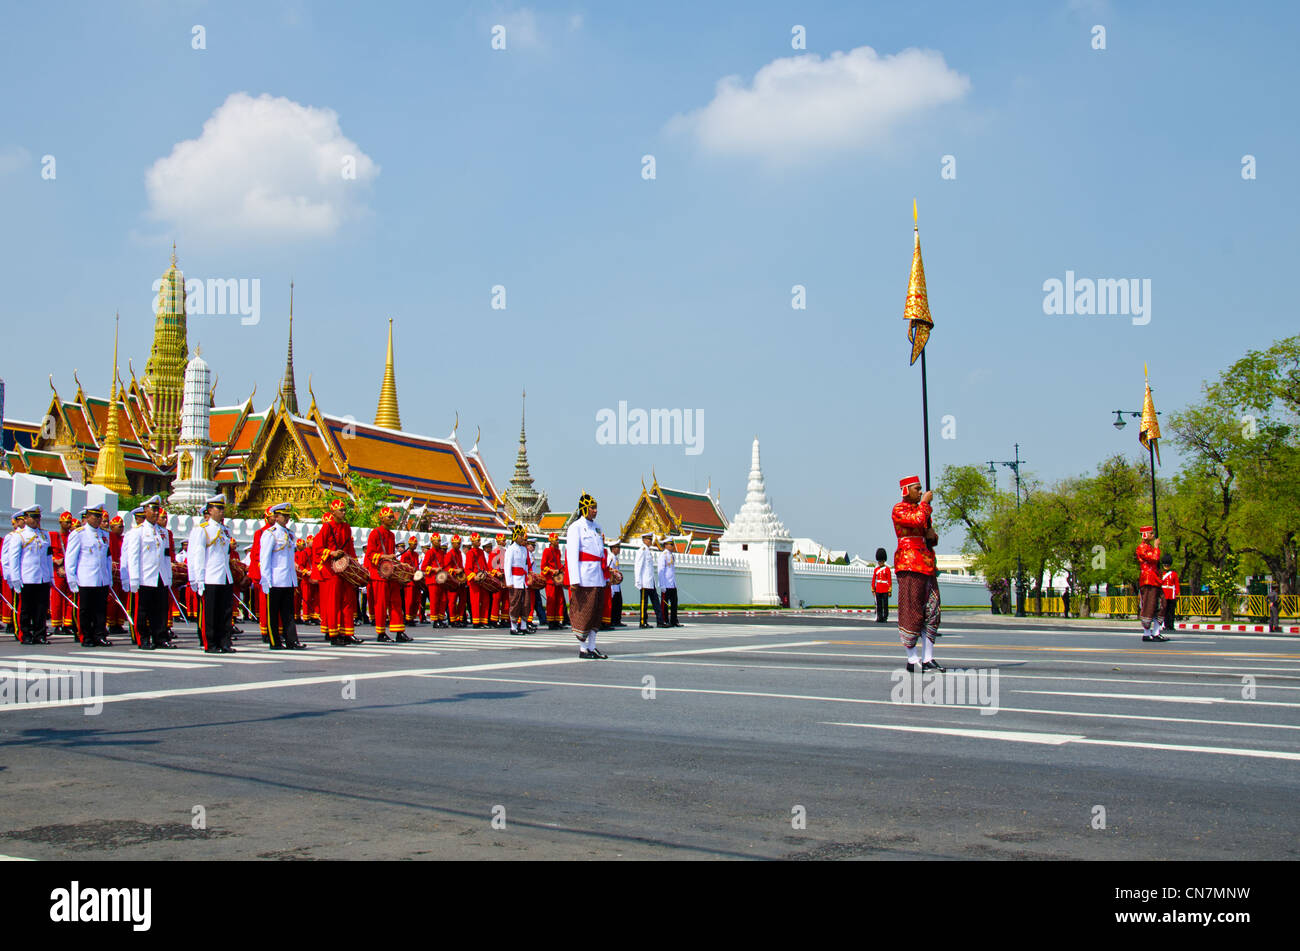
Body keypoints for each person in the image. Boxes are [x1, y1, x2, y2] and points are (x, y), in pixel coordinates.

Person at [893, 476, 944, 672]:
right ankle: (912, 658)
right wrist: (925, 505)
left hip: (926, 563)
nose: (921, 492)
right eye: (917, 489)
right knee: (911, 611)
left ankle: (928, 657)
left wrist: (932, 536)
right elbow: (916, 521)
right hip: (909, 563)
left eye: (921, 489)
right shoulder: (899, 509)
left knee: (932, 610)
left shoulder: (922, 509)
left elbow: (926, 529)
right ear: (906, 490)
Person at [188, 494, 237, 653]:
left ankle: (224, 642)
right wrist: (198, 579)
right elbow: (198, 556)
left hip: (224, 576)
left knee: (225, 613)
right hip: (210, 576)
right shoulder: (203, 529)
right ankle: (211, 643)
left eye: (223, 508)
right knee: (211, 614)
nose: (222, 512)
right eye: (219, 508)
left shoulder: (224, 530)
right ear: (210, 510)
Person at [126, 495, 174, 650]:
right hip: (145, 577)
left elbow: (166, 556)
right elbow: (133, 556)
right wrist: (133, 578)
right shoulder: (137, 532)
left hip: (160, 576)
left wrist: (169, 576)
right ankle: (143, 638)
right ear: (145, 510)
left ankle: (160, 637)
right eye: (152, 509)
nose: (155, 513)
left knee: (160, 610)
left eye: (157, 509)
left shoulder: (163, 532)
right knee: (142, 611)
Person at [259, 502, 306, 650]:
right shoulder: (270, 533)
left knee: (288, 613)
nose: (286, 519)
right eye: (283, 516)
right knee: (273, 613)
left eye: (288, 516)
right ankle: (275, 641)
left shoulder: (289, 534)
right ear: (276, 517)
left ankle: (291, 640)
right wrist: (265, 580)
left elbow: (289, 558)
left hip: (287, 579)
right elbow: (265, 558)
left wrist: (293, 579)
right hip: (274, 579)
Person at [566, 493, 608, 658]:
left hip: (597, 574)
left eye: (596, 507)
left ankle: (592, 646)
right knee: (585, 612)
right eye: (592, 507)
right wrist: (574, 579)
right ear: (584, 508)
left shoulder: (597, 527)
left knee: (596, 612)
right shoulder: (575, 527)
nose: (595, 511)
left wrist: (606, 573)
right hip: (584, 576)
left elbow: (600, 551)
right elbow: (572, 555)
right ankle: (583, 648)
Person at [66, 504, 113, 647]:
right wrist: (72, 579)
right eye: (95, 516)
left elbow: (107, 558)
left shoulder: (105, 535)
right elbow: (71, 558)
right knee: (86, 611)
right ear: (87, 517)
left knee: (100, 610)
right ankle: (86, 637)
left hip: (101, 578)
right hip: (86, 578)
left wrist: (109, 577)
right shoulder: (78, 534)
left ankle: (99, 635)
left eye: (100, 516)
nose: (98, 519)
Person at [365, 506, 410, 642]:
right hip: (378, 574)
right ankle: (381, 632)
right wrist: (386, 557)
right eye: (389, 517)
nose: (392, 519)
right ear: (382, 518)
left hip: (390, 573)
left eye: (392, 517)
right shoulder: (375, 533)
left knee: (396, 602)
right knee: (381, 603)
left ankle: (399, 631)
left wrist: (401, 564)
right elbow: (370, 554)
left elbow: (391, 556)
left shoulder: (391, 535)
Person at [13, 505, 55, 644]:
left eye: (38, 517)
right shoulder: (19, 536)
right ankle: (26, 634)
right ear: (25, 518)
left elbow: (49, 556)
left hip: (42, 577)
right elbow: (15, 559)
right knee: (26, 609)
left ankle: (40, 634)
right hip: (27, 577)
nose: (37, 520)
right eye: (34, 517)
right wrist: (15, 578)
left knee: (41, 609)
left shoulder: (44, 534)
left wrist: (50, 576)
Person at [1136, 526, 1168, 642]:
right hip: (1148, 580)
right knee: (1149, 605)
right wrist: (1156, 547)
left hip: (1155, 579)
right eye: (1150, 533)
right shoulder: (1141, 548)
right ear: (1145, 535)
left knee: (1160, 603)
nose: (1153, 535)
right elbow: (1154, 558)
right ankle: (1147, 632)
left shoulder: (1148, 547)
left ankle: (1156, 631)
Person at [49, 511, 75, 634]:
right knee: (57, 598)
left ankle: (68, 623)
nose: (69, 524)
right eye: (66, 522)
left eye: (70, 522)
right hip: (57, 571)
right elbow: (48, 554)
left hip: (69, 569)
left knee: (70, 597)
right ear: (60, 523)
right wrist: (55, 561)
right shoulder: (53, 536)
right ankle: (57, 623)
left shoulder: (73, 536)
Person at [504, 524, 533, 635]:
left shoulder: (524, 550)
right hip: (515, 580)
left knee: (526, 604)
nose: (523, 538)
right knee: (515, 603)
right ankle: (513, 626)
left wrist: (529, 576)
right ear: (516, 536)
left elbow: (526, 565)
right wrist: (509, 581)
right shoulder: (511, 549)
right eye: (521, 535)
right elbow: (507, 566)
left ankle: (524, 626)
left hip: (523, 580)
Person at [635, 531, 665, 628]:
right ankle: (643, 622)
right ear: (644, 540)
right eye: (648, 539)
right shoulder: (642, 551)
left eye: (651, 539)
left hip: (650, 582)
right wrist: (638, 581)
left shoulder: (648, 551)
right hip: (644, 582)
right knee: (644, 603)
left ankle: (660, 621)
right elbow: (638, 566)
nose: (650, 541)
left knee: (656, 602)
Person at [1, 514, 23, 634]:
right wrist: (8, 575)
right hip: (14, 574)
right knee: (15, 601)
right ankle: (14, 625)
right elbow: (5, 557)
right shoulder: (11, 536)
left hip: (26, 574)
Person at [464, 531, 490, 629]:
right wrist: (474, 576)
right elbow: (467, 568)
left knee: (485, 600)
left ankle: (484, 620)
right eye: (478, 540)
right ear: (473, 542)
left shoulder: (481, 552)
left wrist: (488, 574)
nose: (479, 542)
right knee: (475, 601)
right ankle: (476, 621)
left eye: (480, 540)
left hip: (482, 580)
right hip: (474, 580)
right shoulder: (470, 553)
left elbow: (485, 565)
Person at [421, 535, 449, 628]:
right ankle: (435, 620)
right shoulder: (429, 552)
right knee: (434, 601)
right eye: (437, 541)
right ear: (432, 541)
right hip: (433, 580)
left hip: (441, 580)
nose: (439, 542)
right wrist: (434, 569)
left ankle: (441, 618)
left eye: (440, 541)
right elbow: (424, 567)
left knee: (443, 600)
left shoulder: (441, 552)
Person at [540, 532, 566, 629]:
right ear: (551, 541)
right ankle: (551, 621)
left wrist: (561, 571)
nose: (558, 542)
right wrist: (552, 571)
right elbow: (543, 566)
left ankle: (557, 620)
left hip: (557, 580)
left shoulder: (558, 551)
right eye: (556, 540)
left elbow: (559, 564)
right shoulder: (547, 551)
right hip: (550, 580)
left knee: (559, 600)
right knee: (551, 601)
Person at [399, 535, 423, 626]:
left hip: (416, 579)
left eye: (416, 544)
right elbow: (402, 566)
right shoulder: (405, 554)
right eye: (413, 544)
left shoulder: (416, 554)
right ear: (409, 545)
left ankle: (412, 617)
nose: (415, 546)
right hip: (408, 580)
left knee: (416, 600)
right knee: (409, 600)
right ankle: (408, 618)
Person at [657, 536, 681, 627]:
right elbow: (660, 571)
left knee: (674, 603)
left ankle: (674, 620)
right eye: (671, 544)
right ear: (666, 545)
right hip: (666, 584)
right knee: (665, 605)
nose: (672, 546)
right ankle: (665, 620)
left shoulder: (672, 555)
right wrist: (662, 585)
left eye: (672, 544)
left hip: (672, 584)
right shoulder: (663, 555)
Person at [1160, 553, 1179, 635]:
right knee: (1165, 610)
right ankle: (1166, 625)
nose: (1166, 566)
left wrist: (1177, 593)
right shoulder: (1161, 573)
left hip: (1171, 594)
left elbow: (1176, 584)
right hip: (1164, 594)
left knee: (1171, 611)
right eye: (1165, 564)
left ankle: (1171, 625)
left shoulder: (1174, 574)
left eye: (1167, 564)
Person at [606, 540, 625, 626]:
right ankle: (612, 620)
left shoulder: (615, 557)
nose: (619, 549)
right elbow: (609, 570)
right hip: (612, 585)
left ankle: (617, 620)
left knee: (618, 602)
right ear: (613, 548)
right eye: (618, 547)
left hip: (617, 585)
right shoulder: (610, 558)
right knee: (613, 603)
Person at [872, 547, 892, 623]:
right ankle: (879, 617)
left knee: (885, 604)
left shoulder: (887, 569)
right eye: (879, 561)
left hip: (885, 589)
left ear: (884, 561)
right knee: (879, 605)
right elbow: (873, 580)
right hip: (878, 589)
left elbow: (889, 580)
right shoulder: (876, 570)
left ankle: (885, 617)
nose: (880, 562)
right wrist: (873, 589)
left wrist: (889, 591)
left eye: (881, 561)